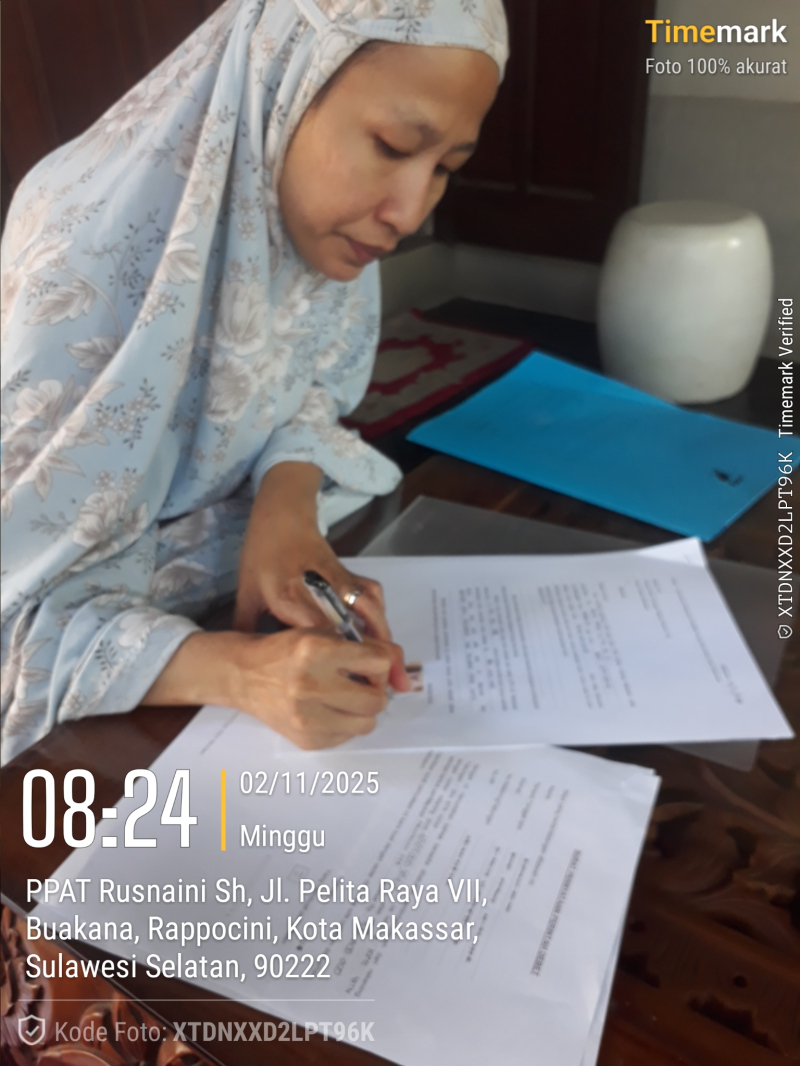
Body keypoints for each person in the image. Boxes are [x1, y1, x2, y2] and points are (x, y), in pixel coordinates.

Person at [0, 0, 507, 764]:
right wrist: (243, 673)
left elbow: (309, 389)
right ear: (282, 85)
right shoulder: (88, 254)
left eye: (444, 169)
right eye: (393, 145)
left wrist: (286, 499)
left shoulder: (327, 224)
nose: (408, 212)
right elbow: (12, 602)